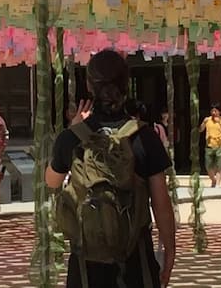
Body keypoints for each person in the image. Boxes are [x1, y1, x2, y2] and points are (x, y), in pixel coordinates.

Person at [46, 50, 176, 288]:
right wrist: (169, 250)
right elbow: (161, 203)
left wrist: (73, 128)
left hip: (86, 263)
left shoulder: (71, 138)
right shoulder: (144, 136)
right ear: (126, 83)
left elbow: (52, 181)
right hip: (136, 261)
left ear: (88, 85)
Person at [200, 104, 221, 188]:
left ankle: (217, 183)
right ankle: (213, 179)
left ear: (219, 112)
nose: (214, 113)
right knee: (208, 166)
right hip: (209, 146)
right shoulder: (207, 120)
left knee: (219, 165)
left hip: (219, 146)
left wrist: (219, 122)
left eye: (215, 111)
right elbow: (201, 129)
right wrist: (203, 123)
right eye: (212, 111)